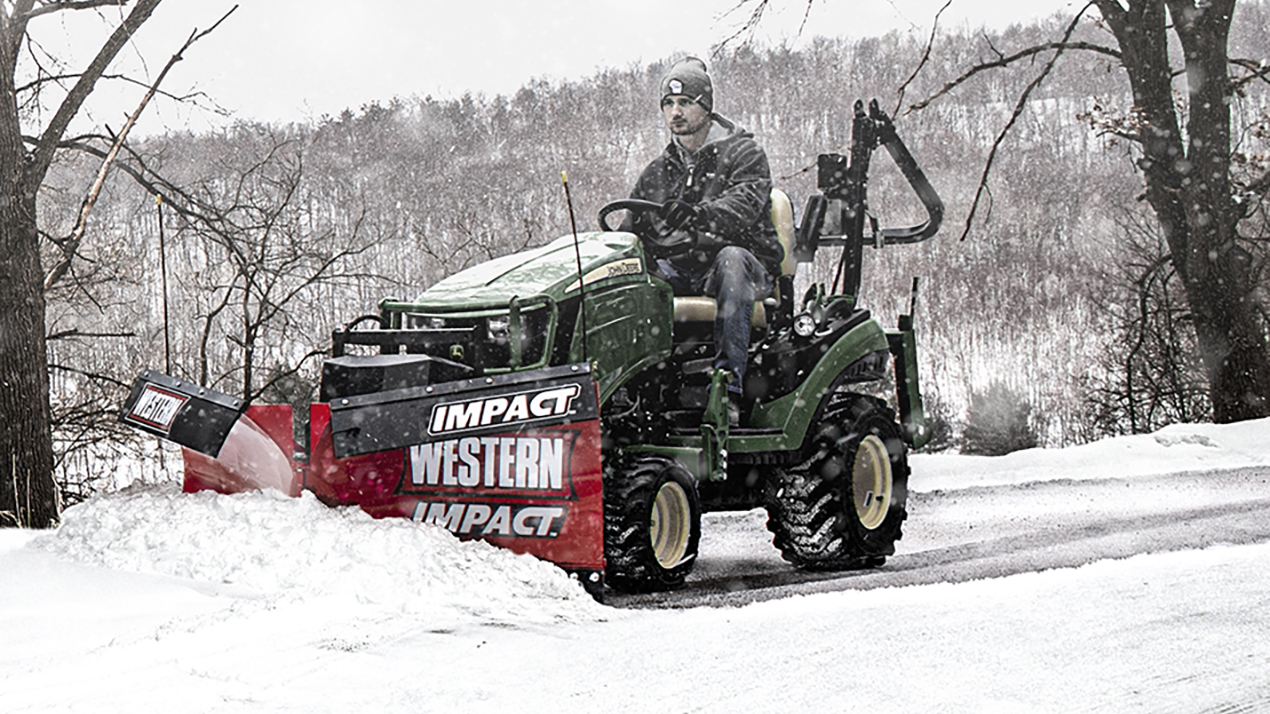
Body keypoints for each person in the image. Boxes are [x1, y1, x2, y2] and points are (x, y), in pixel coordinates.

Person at [623, 56, 782, 424]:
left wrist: (699, 214)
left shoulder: (744, 154)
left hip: (745, 269)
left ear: (706, 106)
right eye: (668, 104)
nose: (675, 112)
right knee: (636, 279)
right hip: (682, 270)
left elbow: (744, 205)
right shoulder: (657, 172)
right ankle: (639, 391)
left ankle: (728, 389)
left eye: (685, 102)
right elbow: (633, 228)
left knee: (731, 259)